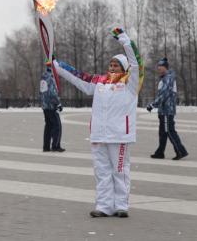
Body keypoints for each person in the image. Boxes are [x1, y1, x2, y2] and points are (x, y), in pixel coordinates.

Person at [53, 28, 144, 218]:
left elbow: (137, 64)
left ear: (124, 68)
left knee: (119, 171)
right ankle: (104, 206)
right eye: (110, 64)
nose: (112, 68)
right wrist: (57, 65)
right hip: (99, 135)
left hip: (119, 136)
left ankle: (121, 206)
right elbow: (78, 76)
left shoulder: (130, 84)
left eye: (116, 65)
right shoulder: (99, 83)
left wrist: (125, 41)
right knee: (102, 172)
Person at [146, 58, 188, 160]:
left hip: (166, 110)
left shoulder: (168, 78)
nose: (159, 68)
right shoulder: (164, 78)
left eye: (161, 66)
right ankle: (160, 152)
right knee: (163, 132)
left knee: (169, 130)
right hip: (163, 110)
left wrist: (153, 105)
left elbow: (164, 94)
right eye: (158, 66)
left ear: (166, 67)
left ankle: (181, 151)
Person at [40, 65, 65, 152]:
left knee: (48, 126)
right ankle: (55, 145)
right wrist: (58, 103)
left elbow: (42, 92)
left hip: (45, 106)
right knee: (57, 126)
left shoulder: (43, 78)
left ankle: (46, 146)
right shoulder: (50, 78)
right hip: (51, 106)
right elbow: (52, 93)